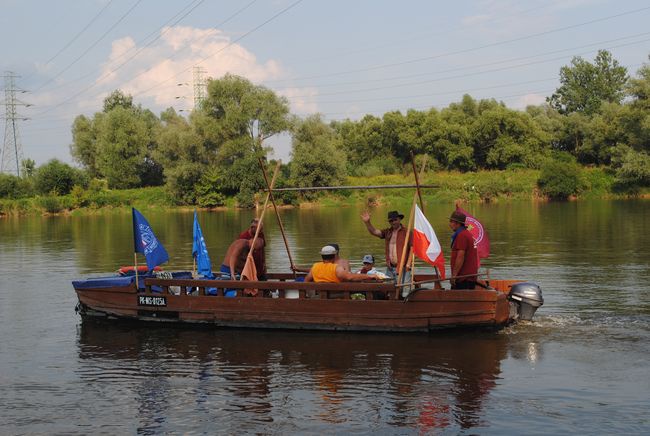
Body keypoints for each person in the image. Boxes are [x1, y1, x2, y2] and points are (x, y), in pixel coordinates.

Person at [361, 210, 411, 283]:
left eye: (395, 220)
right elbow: (374, 232)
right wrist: (367, 222)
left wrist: (408, 263)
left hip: (403, 268)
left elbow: (413, 248)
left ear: (399, 219)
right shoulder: (388, 232)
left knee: (405, 291)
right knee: (388, 289)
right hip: (390, 268)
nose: (393, 222)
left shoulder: (407, 232)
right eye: (391, 221)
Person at [305, 246, 381, 283]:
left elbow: (306, 280)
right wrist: (369, 276)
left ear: (322, 256)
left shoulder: (315, 266)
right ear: (334, 256)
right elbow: (350, 277)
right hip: (335, 295)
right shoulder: (336, 268)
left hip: (321, 295)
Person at [449, 210, 479, 290]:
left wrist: (454, 276)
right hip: (466, 277)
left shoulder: (462, 235)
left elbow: (460, 257)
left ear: (457, 223)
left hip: (464, 279)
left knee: (457, 301)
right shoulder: (465, 233)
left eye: (451, 221)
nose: (449, 224)